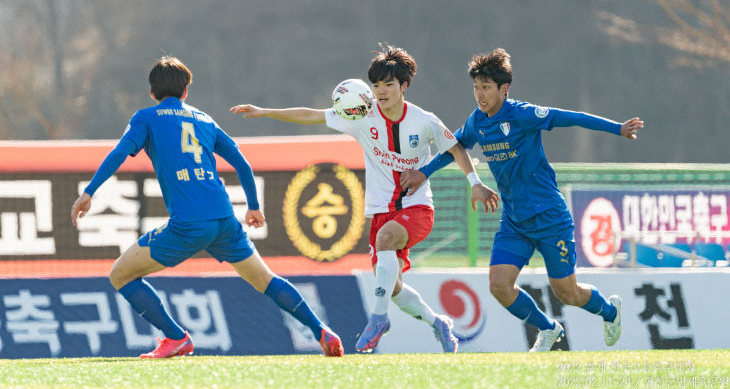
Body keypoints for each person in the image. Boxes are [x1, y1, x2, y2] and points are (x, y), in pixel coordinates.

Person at [230, 44, 499, 354]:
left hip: (417, 208)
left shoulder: (423, 121)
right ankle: (438, 322)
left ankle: (378, 318)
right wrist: (264, 111)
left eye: (388, 84)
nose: (381, 91)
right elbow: (312, 115)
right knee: (393, 288)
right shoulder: (360, 114)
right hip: (380, 212)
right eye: (376, 85)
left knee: (386, 242)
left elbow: (455, 148)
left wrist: (474, 183)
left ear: (404, 86)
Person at [71, 56, 343, 358]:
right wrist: (253, 206)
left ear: (152, 93)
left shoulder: (145, 118)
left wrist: (90, 191)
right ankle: (322, 330)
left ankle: (176, 338)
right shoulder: (204, 119)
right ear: (186, 91)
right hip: (225, 219)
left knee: (120, 275)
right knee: (265, 280)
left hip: (188, 224)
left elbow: (120, 152)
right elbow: (242, 162)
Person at [400, 48, 644, 352]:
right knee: (499, 285)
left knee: (566, 293)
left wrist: (617, 128)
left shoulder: (523, 114)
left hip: (550, 218)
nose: (479, 94)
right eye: (476, 87)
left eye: (486, 87)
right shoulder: (477, 121)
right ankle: (548, 328)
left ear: (504, 89)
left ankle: (609, 311)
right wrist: (423, 172)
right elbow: (455, 146)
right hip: (514, 220)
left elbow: (572, 117)